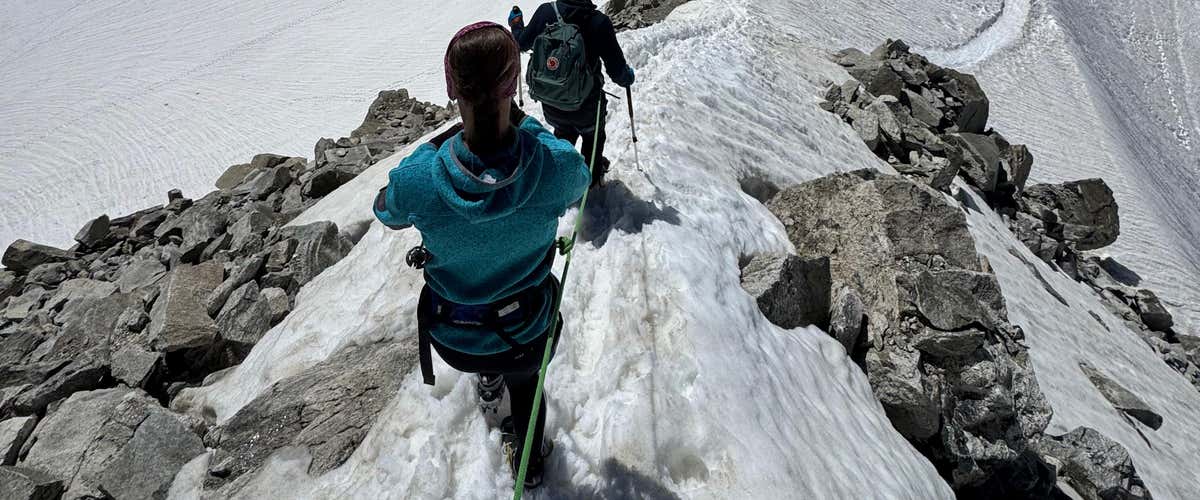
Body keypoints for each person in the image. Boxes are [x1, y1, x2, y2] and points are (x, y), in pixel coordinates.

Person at [372, 22, 590, 489]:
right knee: (528, 385)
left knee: (488, 340)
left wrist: (436, 147)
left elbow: (385, 209)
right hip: (527, 330)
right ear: (514, 85)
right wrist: (524, 123)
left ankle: (486, 379)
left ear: (452, 88)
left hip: (456, 337)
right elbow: (579, 177)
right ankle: (529, 461)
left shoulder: (422, 179)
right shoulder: (554, 169)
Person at [509, 0, 634, 186]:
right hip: (587, 107)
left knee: (563, 132)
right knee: (593, 138)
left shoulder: (546, 12)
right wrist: (628, 77)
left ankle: (560, 174)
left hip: (553, 102)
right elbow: (618, 73)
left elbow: (520, 43)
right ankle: (590, 179)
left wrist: (516, 25)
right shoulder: (599, 22)